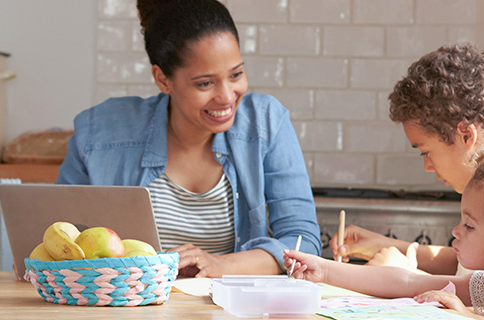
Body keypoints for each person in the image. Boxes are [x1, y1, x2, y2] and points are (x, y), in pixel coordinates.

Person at [55, 0, 319, 278]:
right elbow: (57, 235)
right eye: (205, 83)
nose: (227, 96)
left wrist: (221, 265)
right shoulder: (100, 132)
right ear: (163, 79)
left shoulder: (265, 122)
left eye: (236, 74)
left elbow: (303, 243)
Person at [285, 132, 484, 319]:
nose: (456, 232)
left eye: (469, 225)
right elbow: (407, 282)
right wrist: (324, 269)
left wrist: (467, 316)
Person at [330, 43, 484, 275]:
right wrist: (386, 246)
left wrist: (407, 278)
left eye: (426, 151)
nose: (427, 166)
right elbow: (466, 267)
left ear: (466, 135)